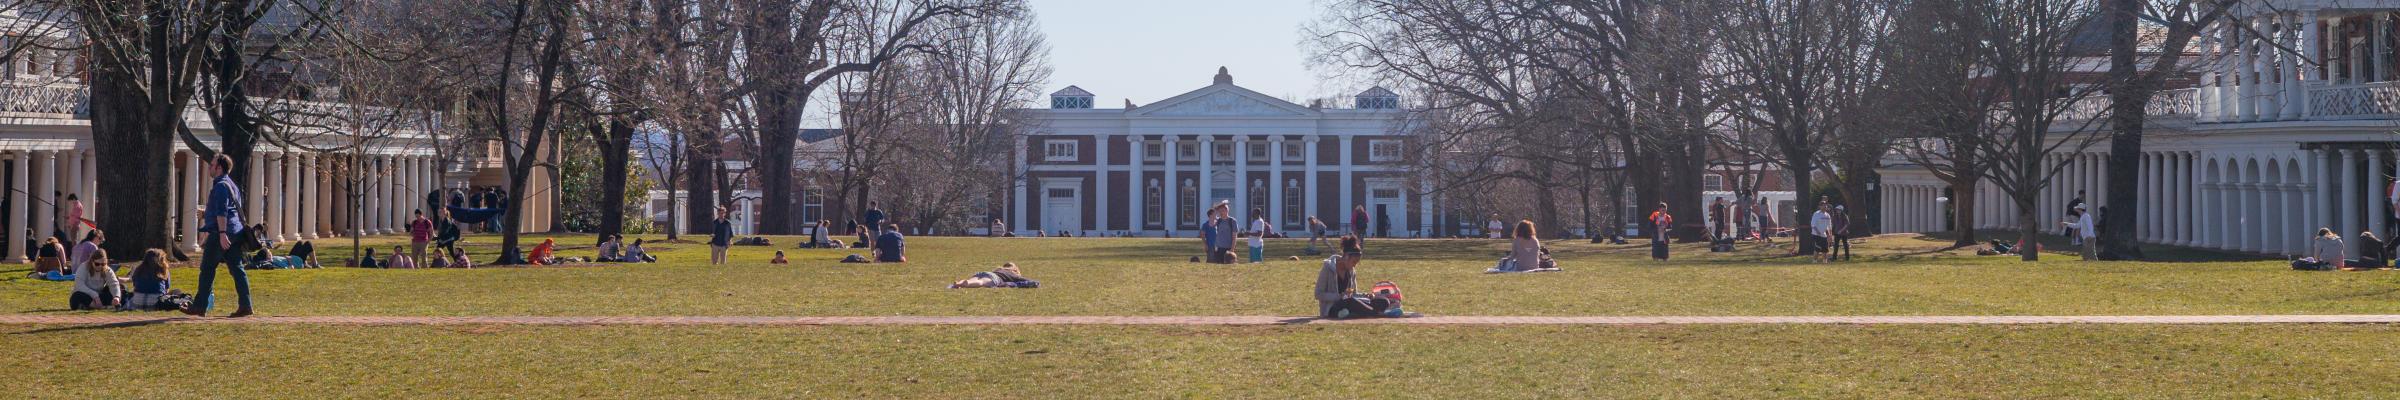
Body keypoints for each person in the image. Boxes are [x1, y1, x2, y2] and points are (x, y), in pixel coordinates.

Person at [187, 154, 253, 318]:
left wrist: (222, 234)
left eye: (212, 165)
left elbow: (223, 212)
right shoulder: (231, 185)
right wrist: (206, 214)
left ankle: (199, 306)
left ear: (219, 168)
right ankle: (246, 305)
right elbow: (230, 210)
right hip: (235, 231)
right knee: (237, 269)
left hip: (221, 233)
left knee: (207, 269)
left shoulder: (221, 186)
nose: (210, 167)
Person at [1314, 235, 1396, 319]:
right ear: (1346, 257)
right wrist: (1339, 296)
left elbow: (1354, 294)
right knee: (1350, 301)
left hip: (1350, 304)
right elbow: (1318, 294)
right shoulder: (1328, 268)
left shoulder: (1351, 271)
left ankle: (1358, 313)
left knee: (1383, 301)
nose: (1354, 265)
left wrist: (1366, 296)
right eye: (1354, 262)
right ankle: (1376, 313)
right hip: (1332, 308)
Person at [949, 262, 1039, 289]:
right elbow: (1026, 280)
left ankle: (959, 283)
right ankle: (966, 284)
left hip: (985, 273)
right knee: (981, 282)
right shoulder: (1012, 274)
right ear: (1015, 270)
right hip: (994, 278)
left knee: (973, 279)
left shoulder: (999, 269)